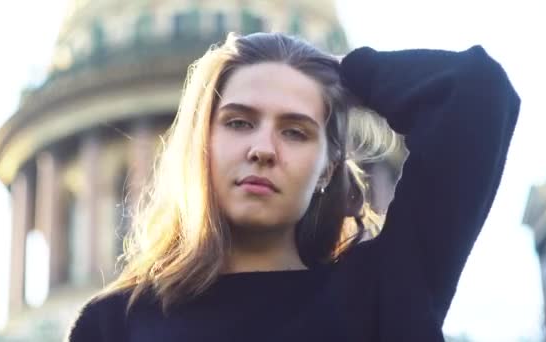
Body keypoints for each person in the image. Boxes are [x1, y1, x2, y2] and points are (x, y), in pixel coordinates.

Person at [66, 32, 520, 341]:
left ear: (328, 168)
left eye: (295, 131)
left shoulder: (382, 291)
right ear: (201, 148)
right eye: (239, 122)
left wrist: (328, 69)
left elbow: (478, 91)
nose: (263, 149)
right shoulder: (116, 324)